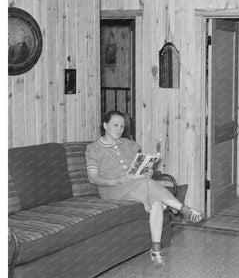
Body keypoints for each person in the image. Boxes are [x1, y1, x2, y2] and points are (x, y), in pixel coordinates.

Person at [85, 110, 206, 266]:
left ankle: (156, 250)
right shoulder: (94, 148)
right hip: (111, 189)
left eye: (122, 126)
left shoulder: (129, 145)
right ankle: (183, 209)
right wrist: (117, 180)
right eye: (115, 125)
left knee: (155, 199)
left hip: (136, 185)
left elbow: (138, 170)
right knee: (147, 187)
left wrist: (146, 171)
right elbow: (93, 177)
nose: (119, 129)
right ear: (105, 125)